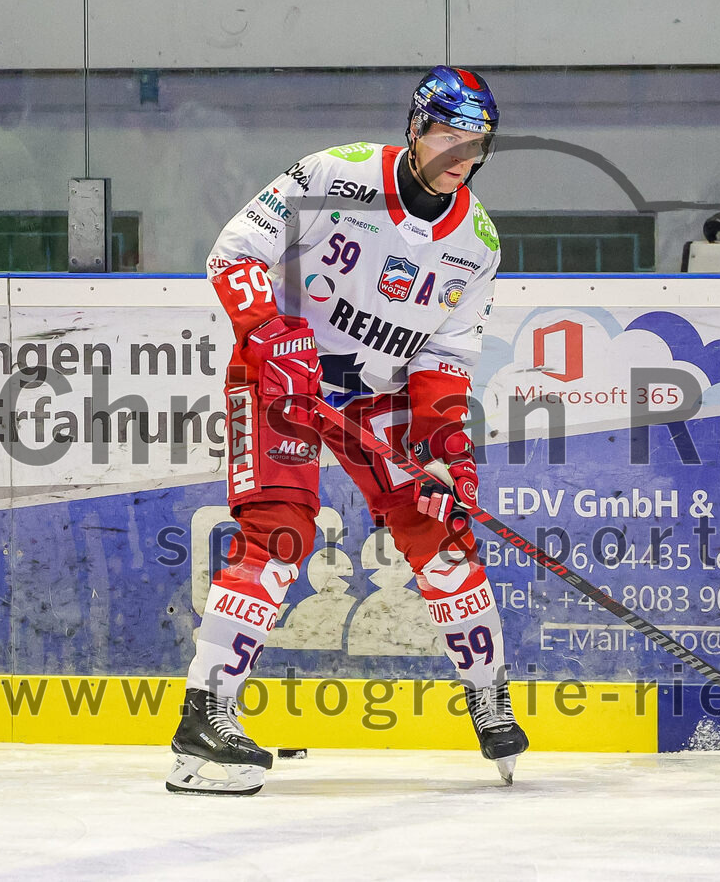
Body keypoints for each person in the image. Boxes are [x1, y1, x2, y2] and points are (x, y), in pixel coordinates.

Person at [166, 66, 528, 795]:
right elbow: (234, 252)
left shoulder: (478, 241)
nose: (461, 157)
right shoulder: (337, 174)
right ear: (415, 129)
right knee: (280, 532)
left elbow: (445, 357)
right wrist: (269, 330)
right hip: (280, 376)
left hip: (376, 395)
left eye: (476, 144)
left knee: (442, 528)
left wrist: (444, 448)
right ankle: (206, 711)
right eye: (448, 138)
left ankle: (489, 696)